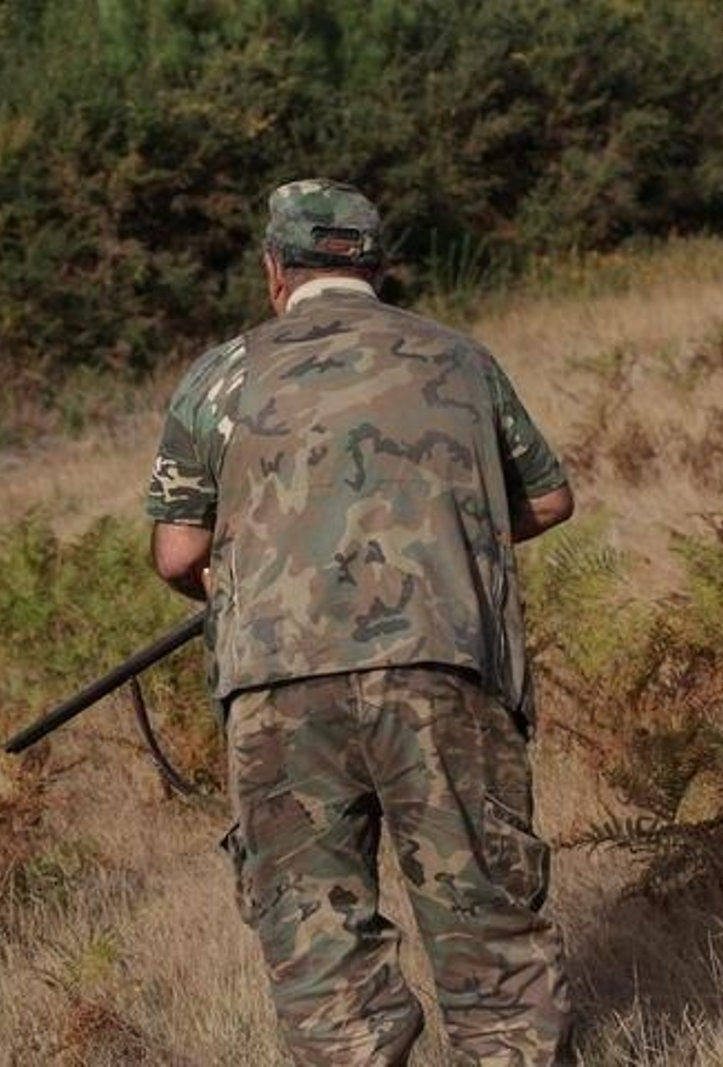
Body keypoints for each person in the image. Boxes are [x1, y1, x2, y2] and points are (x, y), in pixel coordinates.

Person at [144, 179, 574, 1066]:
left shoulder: (219, 374)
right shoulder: (458, 359)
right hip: (443, 669)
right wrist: (452, 537)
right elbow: (550, 497)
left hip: (277, 688)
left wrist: (242, 573)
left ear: (275, 270)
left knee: (322, 960)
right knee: (489, 934)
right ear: (375, 267)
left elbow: (178, 554)